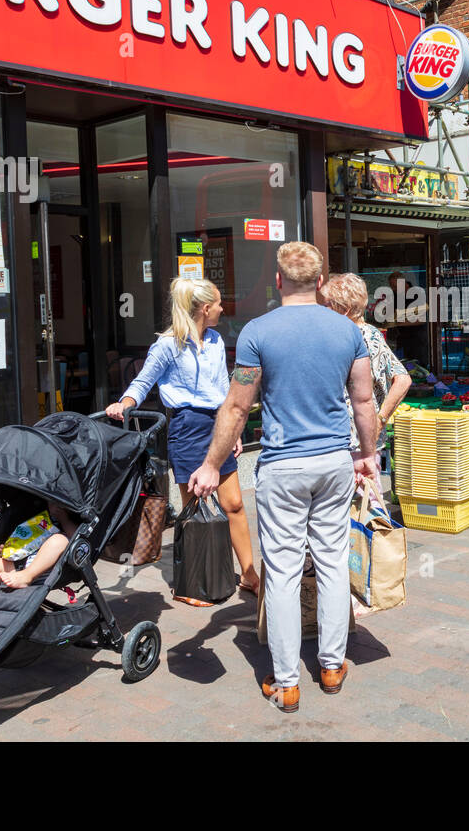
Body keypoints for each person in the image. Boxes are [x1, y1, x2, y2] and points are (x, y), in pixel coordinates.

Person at [188, 242, 378, 714]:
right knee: (333, 563)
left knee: (285, 571)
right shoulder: (347, 331)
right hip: (334, 461)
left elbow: (237, 406)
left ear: (277, 281)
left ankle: (288, 682)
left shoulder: (257, 333)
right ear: (319, 282)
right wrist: (368, 454)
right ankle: (333, 666)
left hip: (283, 466)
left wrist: (212, 464)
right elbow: (364, 401)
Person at [105, 279, 254, 598]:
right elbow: (143, 382)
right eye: (218, 303)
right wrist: (125, 403)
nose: (222, 308)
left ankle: (250, 574)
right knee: (194, 510)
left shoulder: (215, 340)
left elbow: (225, 388)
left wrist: (233, 429)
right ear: (204, 308)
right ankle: (193, 582)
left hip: (218, 423)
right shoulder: (168, 345)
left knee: (235, 504)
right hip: (187, 427)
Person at [321, 272, 411, 456]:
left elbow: (403, 380)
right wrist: (380, 420)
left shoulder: (353, 337)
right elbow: (402, 378)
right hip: (365, 441)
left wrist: (380, 420)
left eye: (327, 304)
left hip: (350, 443)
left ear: (344, 308)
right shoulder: (372, 332)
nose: (323, 309)